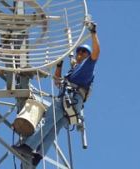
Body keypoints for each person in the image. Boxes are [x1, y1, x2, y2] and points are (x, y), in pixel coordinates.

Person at [12, 21, 100, 166]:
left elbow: (96, 53)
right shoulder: (75, 70)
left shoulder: (87, 66)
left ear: (87, 55)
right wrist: (59, 65)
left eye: (83, 52)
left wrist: (93, 33)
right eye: (79, 51)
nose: (80, 53)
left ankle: (28, 146)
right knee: (53, 130)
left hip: (68, 100)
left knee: (47, 122)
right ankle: (37, 156)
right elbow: (57, 81)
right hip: (73, 106)